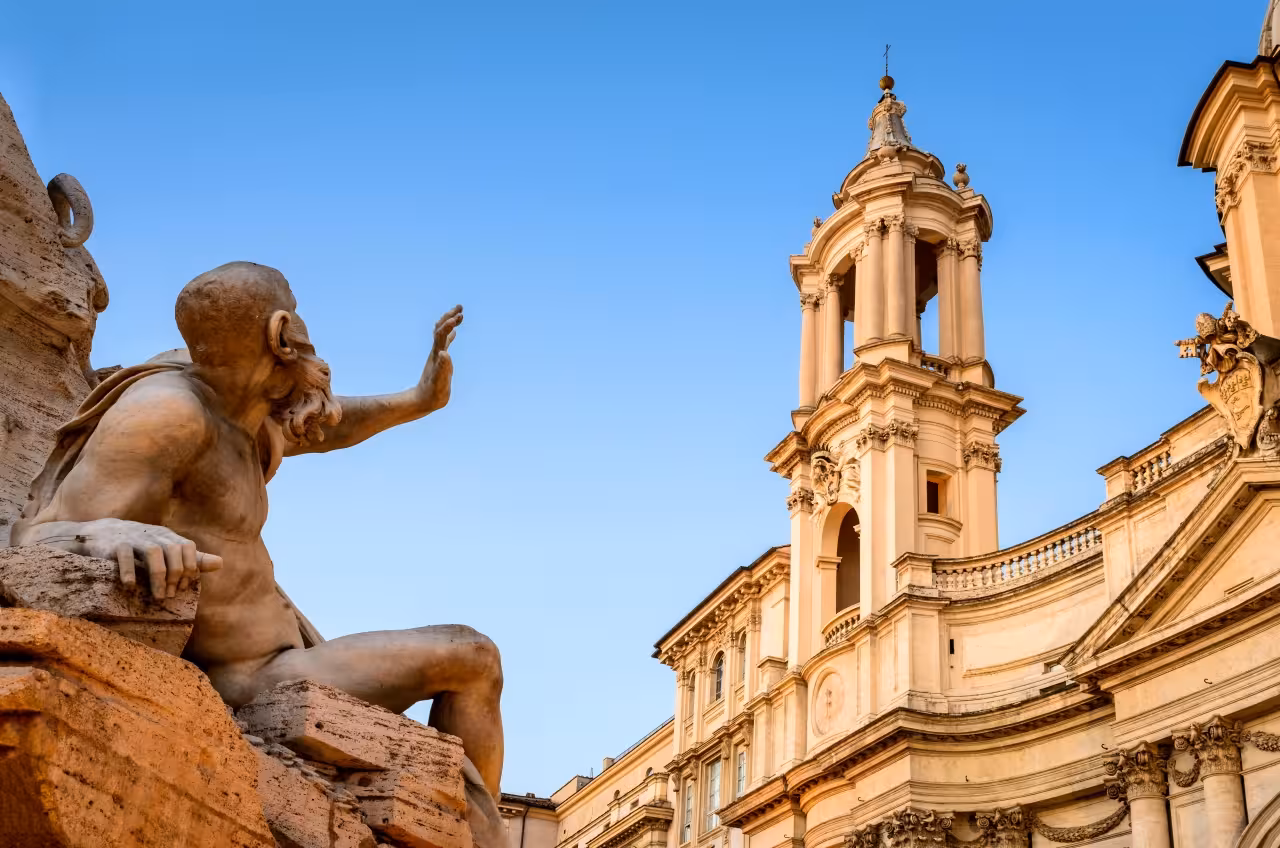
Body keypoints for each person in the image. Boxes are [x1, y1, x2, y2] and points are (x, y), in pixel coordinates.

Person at [11, 261, 503, 796]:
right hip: (252, 681)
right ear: (281, 332)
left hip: (283, 650)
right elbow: (41, 539)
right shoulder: (168, 415)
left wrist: (417, 400)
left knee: (469, 653)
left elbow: (318, 426)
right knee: (474, 658)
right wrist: (104, 534)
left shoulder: (241, 402)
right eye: (299, 316)